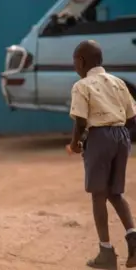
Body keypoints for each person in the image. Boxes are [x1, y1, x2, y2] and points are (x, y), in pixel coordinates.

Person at [67, 40, 136, 269]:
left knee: (98, 195)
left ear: (81, 61)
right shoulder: (118, 82)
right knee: (116, 193)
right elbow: (132, 117)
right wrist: (121, 137)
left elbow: (80, 119)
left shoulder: (82, 86)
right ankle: (134, 240)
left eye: (75, 62)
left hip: (99, 137)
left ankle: (106, 252)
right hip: (122, 136)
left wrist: (76, 142)